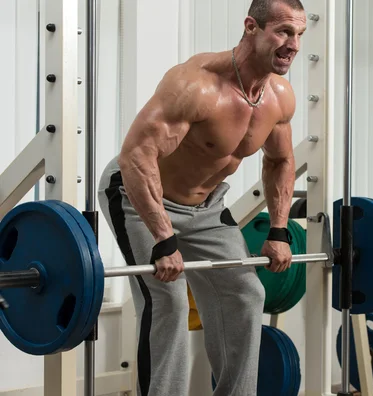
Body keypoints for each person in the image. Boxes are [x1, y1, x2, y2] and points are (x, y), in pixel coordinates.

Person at [96, 0, 307, 395]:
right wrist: (163, 238)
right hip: (139, 197)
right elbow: (137, 156)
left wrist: (279, 229)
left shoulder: (279, 97)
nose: (293, 44)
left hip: (206, 206)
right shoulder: (195, 84)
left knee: (247, 294)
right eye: (283, 31)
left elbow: (280, 161)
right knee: (170, 301)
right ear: (251, 27)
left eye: (299, 34)